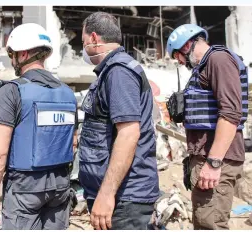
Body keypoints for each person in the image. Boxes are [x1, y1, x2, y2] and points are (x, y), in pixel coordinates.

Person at [0, 23, 78, 230]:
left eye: (13, 55)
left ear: (23, 54)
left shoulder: (11, 92)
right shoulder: (68, 94)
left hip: (25, 188)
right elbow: (73, 141)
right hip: (60, 186)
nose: (12, 60)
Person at [78, 12, 159, 230]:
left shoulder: (118, 72)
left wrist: (106, 194)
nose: (83, 47)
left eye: (84, 41)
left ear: (94, 38)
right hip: (120, 198)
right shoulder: (111, 71)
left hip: (124, 199)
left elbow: (128, 133)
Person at [166, 24, 249, 229]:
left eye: (177, 55)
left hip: (217, 161)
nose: (179, 61)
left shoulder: (218, 60)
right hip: (208, 159)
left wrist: (213, 163)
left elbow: (230, 114)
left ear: (186, 45)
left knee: (210, 224)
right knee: (204, 222)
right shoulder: (205, 65)